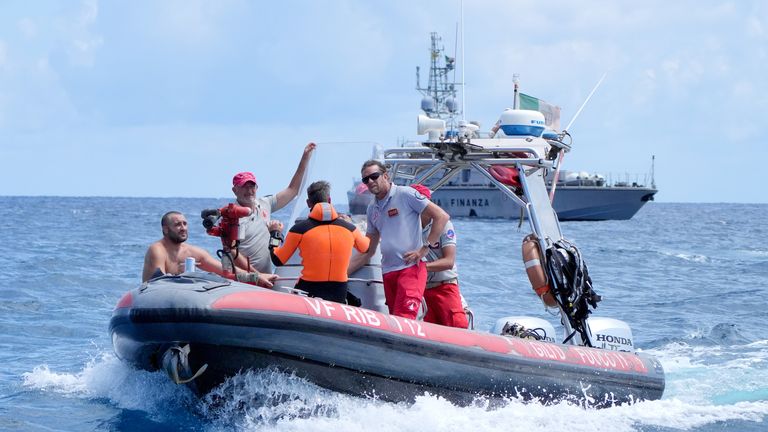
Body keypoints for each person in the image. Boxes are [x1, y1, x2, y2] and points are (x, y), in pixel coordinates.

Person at [349, 160, 450, 319]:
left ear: (386, 176)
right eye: (365, 179)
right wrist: (339, 275)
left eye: (374, 177)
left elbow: (441, 216)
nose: (370, 182)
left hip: (410, 269)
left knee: (404, 319)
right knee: (395, 319)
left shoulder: (405, 194)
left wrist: (425, 248)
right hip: (388, 273)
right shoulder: (371, 209)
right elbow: (368, 251)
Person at [269, 181, 370, 303]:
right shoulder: (350, 228)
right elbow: (366, 248)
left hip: (309, 291)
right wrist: (352, 225)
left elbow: (278, 260)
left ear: (308, 203)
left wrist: (275, 233)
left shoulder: (299, 229)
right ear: (330, 200)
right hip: (339, 292)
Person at [231, 142, 316, 274]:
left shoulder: (265, 203)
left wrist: (305, 158)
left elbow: (293, 190)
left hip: (265, 276)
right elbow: (233, 253)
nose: (249, 190)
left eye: (252, 186)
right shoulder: (232, 216)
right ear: (234, 190)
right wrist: (256, 276)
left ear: (257, 188)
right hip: (244, 278)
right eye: (244, 186)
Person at [142, 211, 276, 287]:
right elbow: (157, 285)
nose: (183, 228)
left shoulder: (193, 252)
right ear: (165, 229)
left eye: (185, 223)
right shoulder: (157, 250)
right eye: (177, 225)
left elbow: (226, 272)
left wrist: (257, 277)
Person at [411, 184, 469, 329]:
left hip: (445, 287)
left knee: (458, 327)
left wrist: (421, 267)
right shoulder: (409, 226)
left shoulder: (444, 225)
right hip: (422, 291)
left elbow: (449, 261)